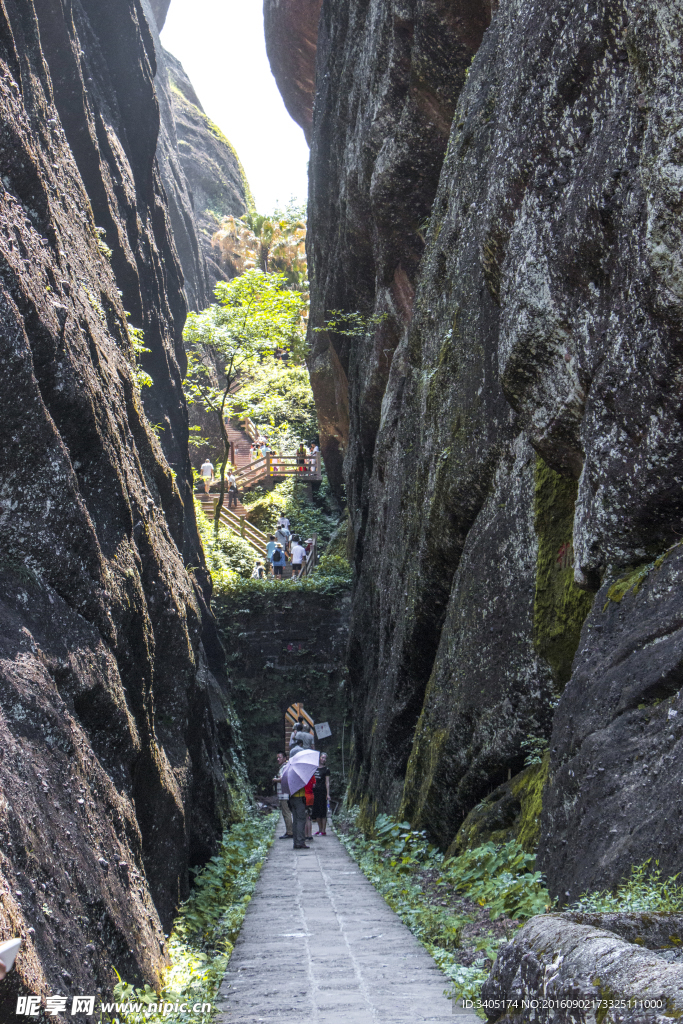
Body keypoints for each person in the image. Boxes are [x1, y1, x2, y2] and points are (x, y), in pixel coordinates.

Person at [273, 752, 293, 839]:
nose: (278, 759)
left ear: (285, 758)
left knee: (286, 813)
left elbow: (283, 779)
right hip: (282, 794)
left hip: (284, 794)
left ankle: (290, 832)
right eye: (277, 758)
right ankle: (289, 831)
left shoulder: (285, 767)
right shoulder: (282, 767)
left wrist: (275, 780)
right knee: (285, 812)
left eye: (280, 757)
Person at [313, 752, 331, 835]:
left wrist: (328, 794)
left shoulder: (326, 769)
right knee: (316, 811)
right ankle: (319, 829)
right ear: (319, 758)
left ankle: (323, 830)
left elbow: (327, 782)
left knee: (323, 811)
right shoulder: (314, 768)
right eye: (322, 757)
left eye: (325, 758)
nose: (323, 759)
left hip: (322, 792)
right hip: (315, 792)